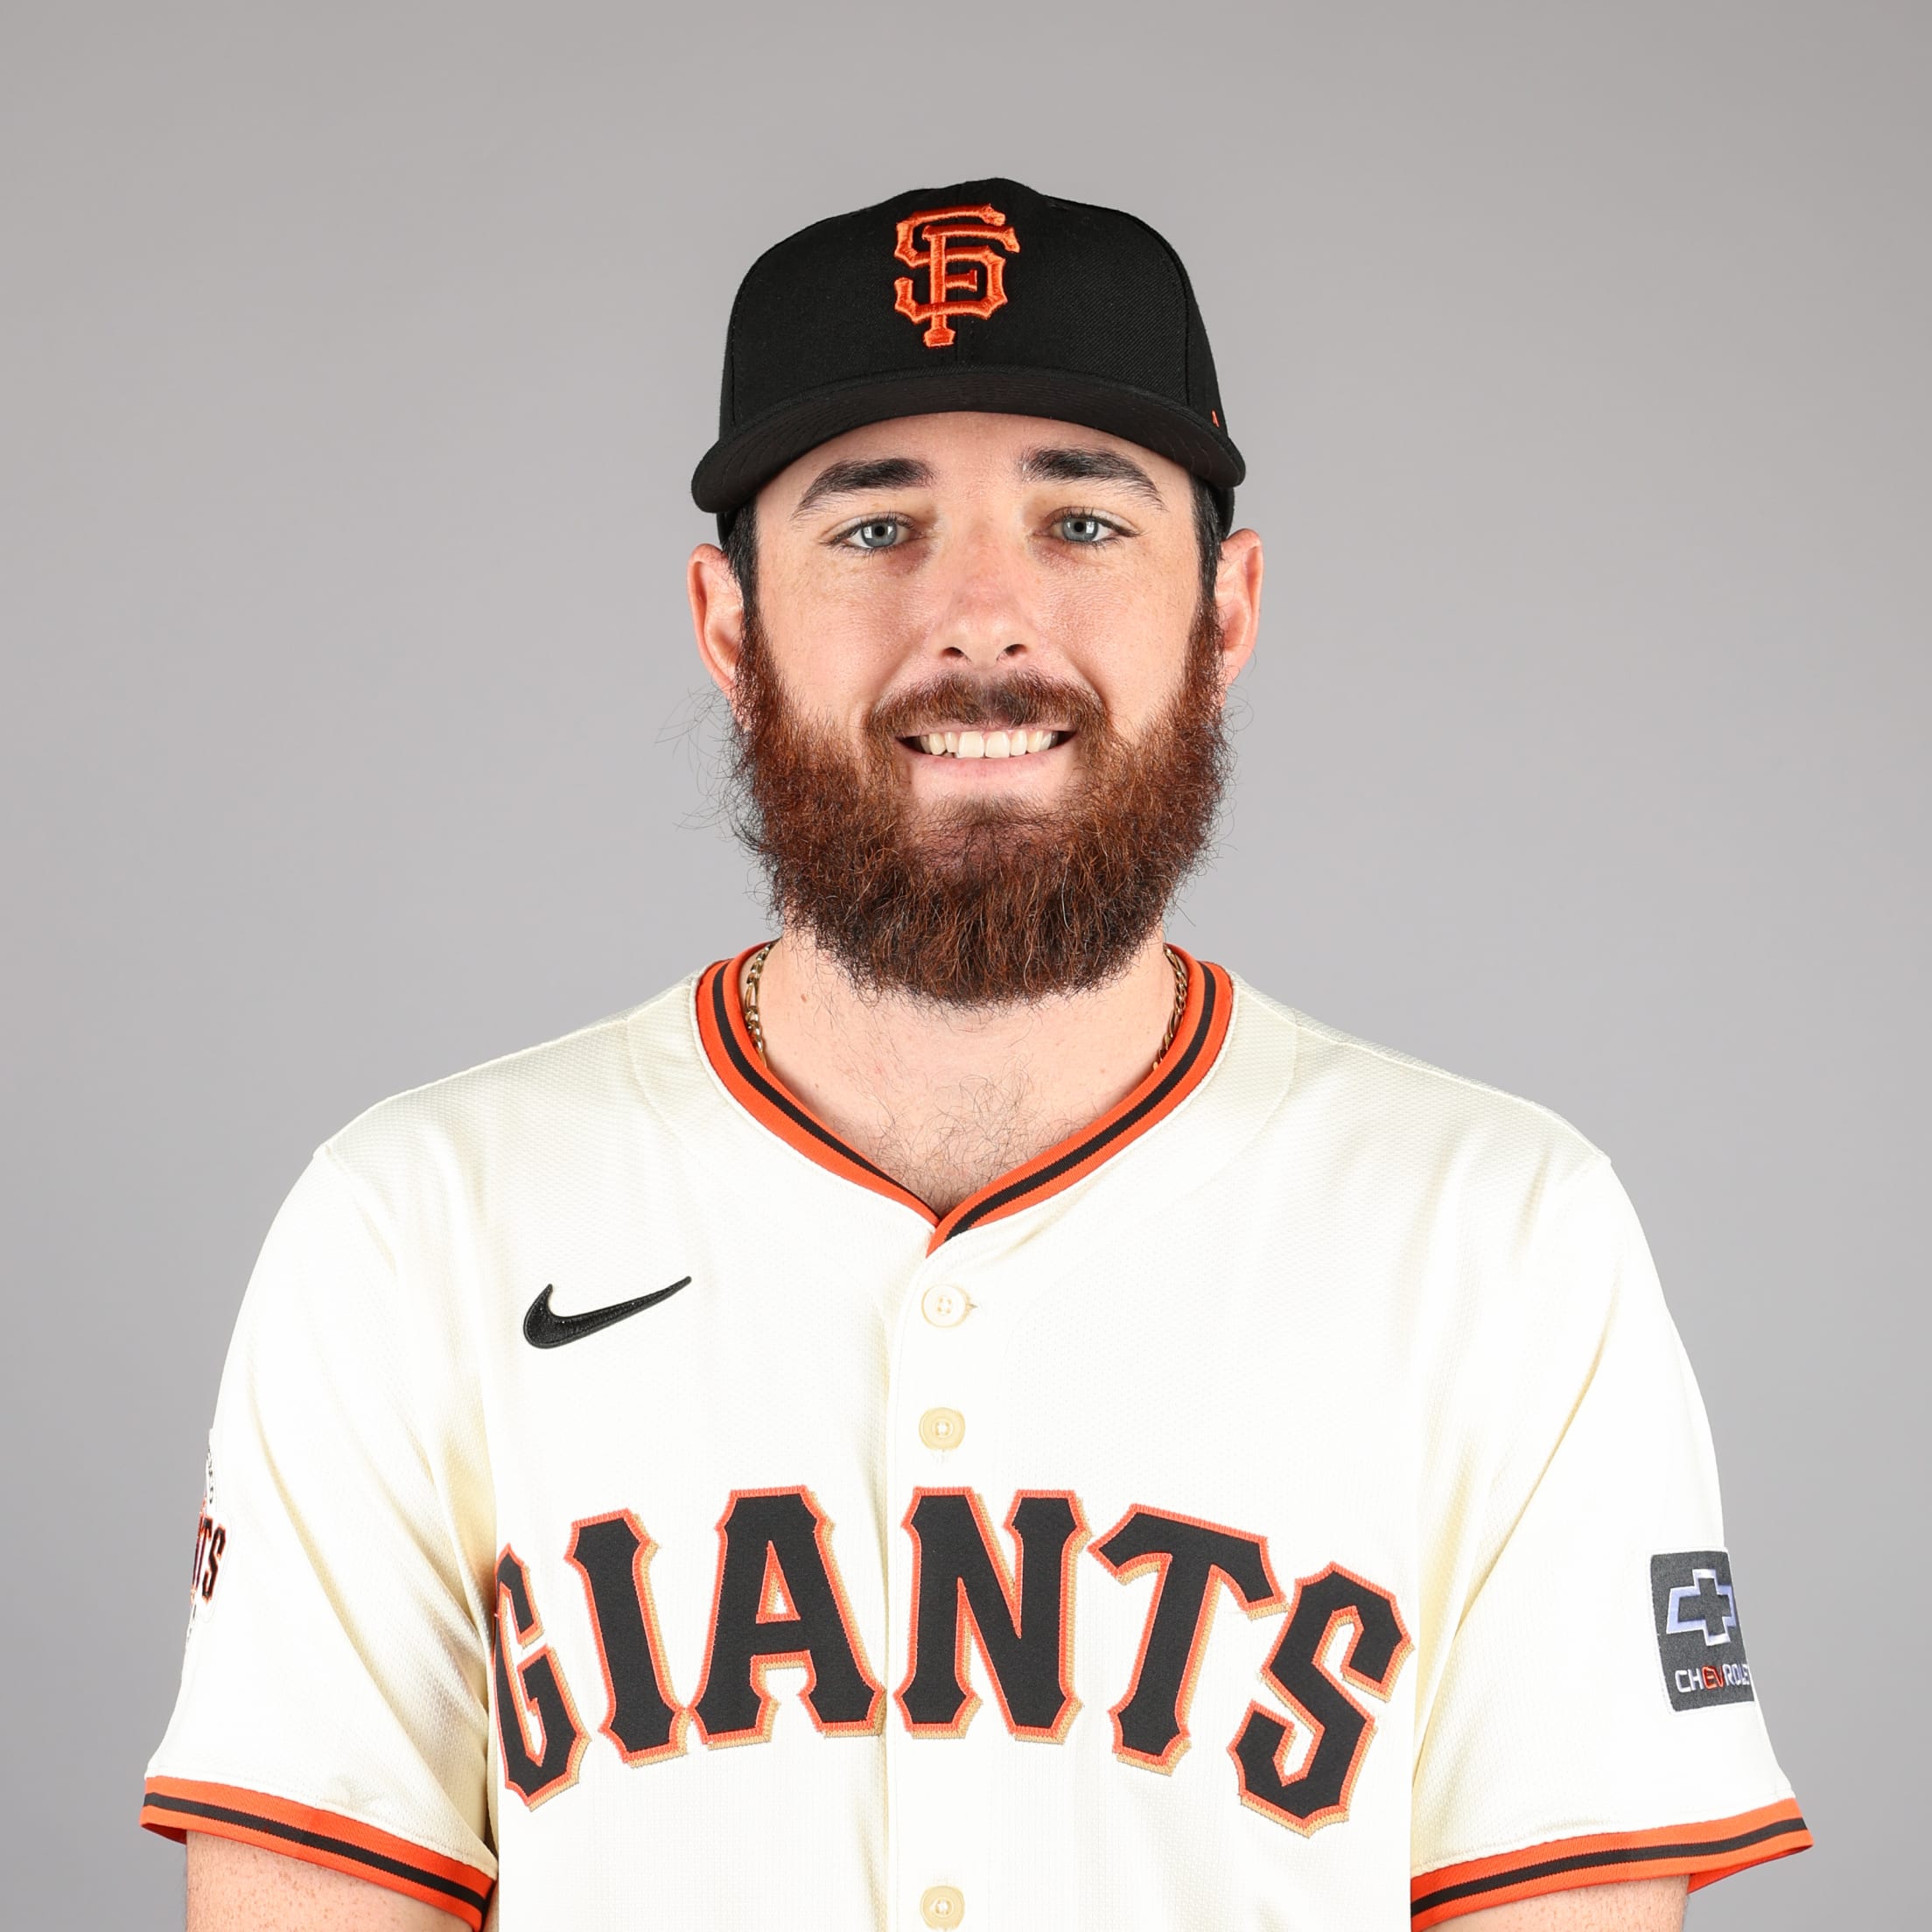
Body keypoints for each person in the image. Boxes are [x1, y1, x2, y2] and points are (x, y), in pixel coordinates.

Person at [144, 179, 1808, 1931]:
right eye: (876, 528)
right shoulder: (416, 1227)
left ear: (1226, 610)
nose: (985, 618)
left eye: (1083, 521)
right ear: (730, 626)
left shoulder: (1501, 1237)